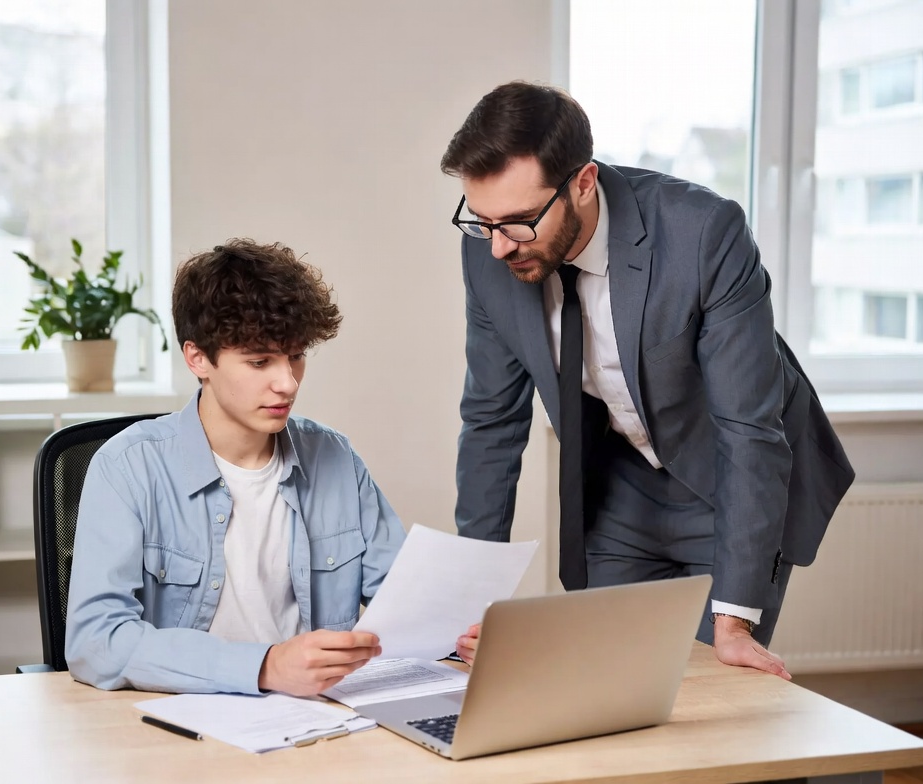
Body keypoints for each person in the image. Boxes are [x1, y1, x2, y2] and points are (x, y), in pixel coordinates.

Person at [441, 81, 854, 678]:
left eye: (519, 222)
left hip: (727, 482)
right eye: (481, 222)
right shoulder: (489, 249)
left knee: (701, 694)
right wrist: (471, 596)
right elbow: (491, 423)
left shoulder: (702, 232)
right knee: (602, 680)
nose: (500, 247)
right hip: (619, 485)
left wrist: (735, 621)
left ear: (582, 182)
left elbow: (748, 427)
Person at [65, 238, 409, 696]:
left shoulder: (335, 458)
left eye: (296, 356)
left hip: (315, 723)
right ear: (198, 358)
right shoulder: (127, 467)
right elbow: (96, 641)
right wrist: (264, 667)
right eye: (259, 361)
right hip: (183, 726)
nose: (287, 382)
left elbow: (405, 599)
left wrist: (459, 632)